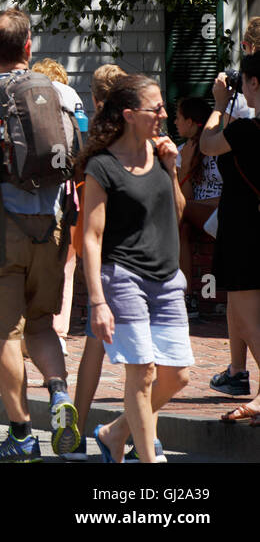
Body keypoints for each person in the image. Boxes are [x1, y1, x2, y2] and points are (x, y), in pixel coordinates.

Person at [0, 8, 83, 461]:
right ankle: (61, 395)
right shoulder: (66, 94)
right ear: (29, 46)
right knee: (42, 323)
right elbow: (80, 158)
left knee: (5, 331)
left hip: (0, 225)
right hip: (54, 225)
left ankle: (22, 434)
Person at [82, 75, 193, 462]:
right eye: (156, 108)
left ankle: (115, 432)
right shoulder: (103, 166)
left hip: (166, 279)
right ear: (130, 115)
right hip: (123, 277)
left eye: (163, 107)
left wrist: (172, 168)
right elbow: (91, 237)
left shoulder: (162, 155)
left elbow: (177, 212)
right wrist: (97, 300)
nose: (163, 114)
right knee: (142, 372)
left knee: (177, 376)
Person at [67, 62, 125, 459]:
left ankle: (76, 431)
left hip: (102, 247)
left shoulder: (92, 139)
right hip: (134, 248)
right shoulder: (134, 136)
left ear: (94, 98)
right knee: (146, 357)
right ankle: (136, 432)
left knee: (94, 346)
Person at [199, 52, 260, 422]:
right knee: (241, 314)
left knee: (248, 318)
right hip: (249, 225)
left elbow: (208, 143)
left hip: (244, 229)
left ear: (254, 82)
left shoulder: (242, 130)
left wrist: (219, 105)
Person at [32, 57, 88, 349]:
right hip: (68, 189)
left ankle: (32, 330)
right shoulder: (71, 97)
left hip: (31, 191)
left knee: (34, 261)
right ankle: (59, 333)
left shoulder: (28, 95)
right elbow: (81, 143)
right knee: (67, 262)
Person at [174, 95, 221, 312]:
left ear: (191, 121)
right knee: (181, 227)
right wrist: (184, 170)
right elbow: (185, 197)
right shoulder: (182, 151)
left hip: (222, 212)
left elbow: (231, 194)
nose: (175, 122)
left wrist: (201, 204)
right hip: (197, 212)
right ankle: (186, 297)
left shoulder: (218, 146)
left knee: (176, 213)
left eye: (178, 117)